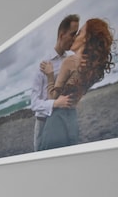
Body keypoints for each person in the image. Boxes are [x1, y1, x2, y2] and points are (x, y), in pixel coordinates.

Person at [37, 18, 115, 151]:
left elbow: (52, 98)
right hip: (72, 120)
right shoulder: (92, 68)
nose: (75, 37)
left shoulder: (70, 61)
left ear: (87, 38)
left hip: (57, 120)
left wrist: (50, 75)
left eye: (79, 33)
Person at [30, 14, 79, 151]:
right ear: (62, 35)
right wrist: (55, 103)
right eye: (72, 34)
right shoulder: (43, 64)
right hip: (44, 123)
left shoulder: (70, 61)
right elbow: (34, 103)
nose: (74, 39)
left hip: (65, 118)